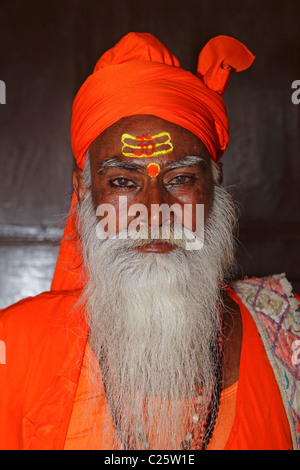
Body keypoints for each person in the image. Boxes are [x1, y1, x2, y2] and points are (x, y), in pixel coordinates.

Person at [0, 32, 299, 451]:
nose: (154, 211)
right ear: (84, 190)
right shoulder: (12, 345)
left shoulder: (287, 338)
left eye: (180, 179)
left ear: (215, 184)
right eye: (123, 181)